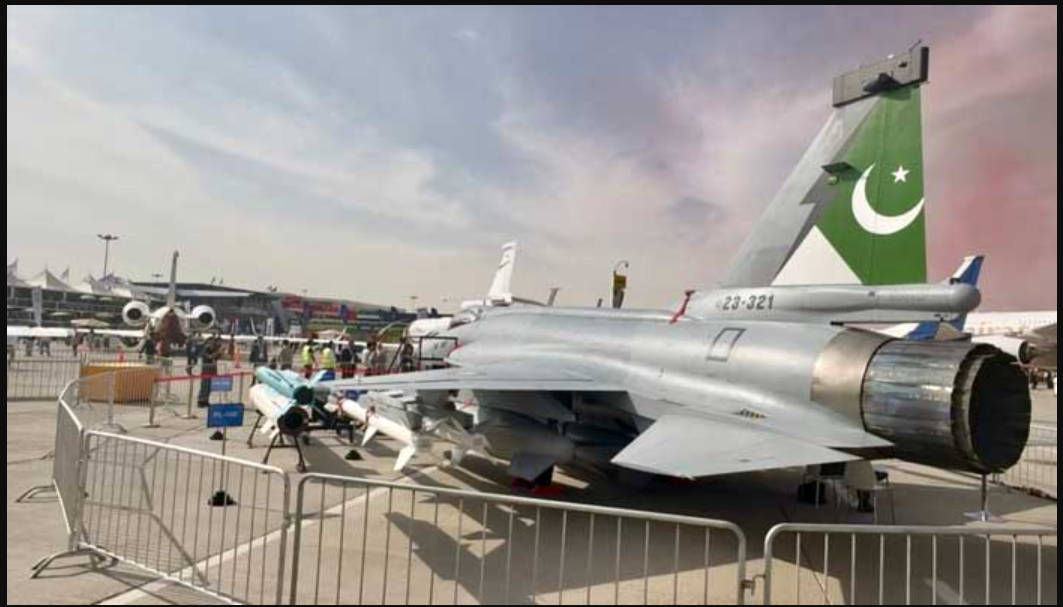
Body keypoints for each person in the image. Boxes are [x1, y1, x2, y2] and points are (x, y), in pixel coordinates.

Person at [198, 333, 222, 407]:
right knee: (204, 386)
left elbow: (217, 358)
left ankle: (206, 400)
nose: (213, 343)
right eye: (211, 342)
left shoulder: (214, 349)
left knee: (209, 387)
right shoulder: (206, 349)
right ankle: (200, 401)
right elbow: (210, 357)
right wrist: (218, 351)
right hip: (206, 371)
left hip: (212, 370)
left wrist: (220, 352)